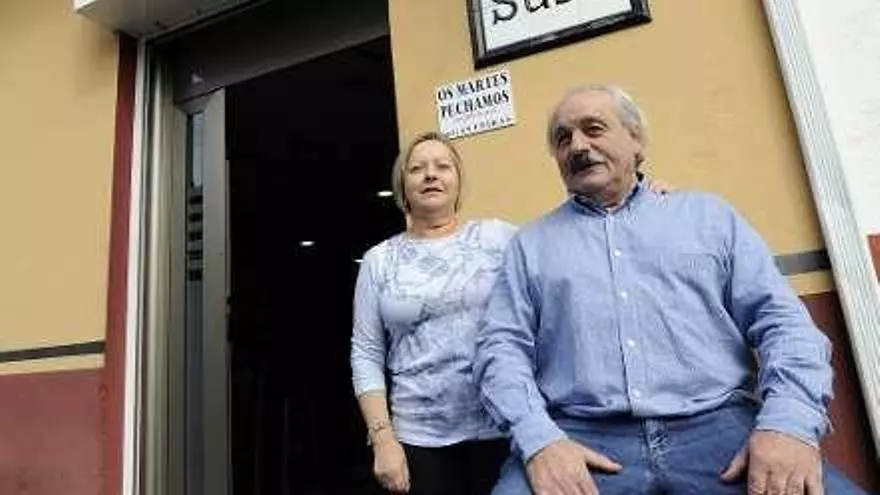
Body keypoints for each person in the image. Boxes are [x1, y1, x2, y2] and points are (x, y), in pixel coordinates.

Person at [473, 85, 872, 495]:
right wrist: (540, 440)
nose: (577, 146)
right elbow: (500, 350)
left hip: (720, 425)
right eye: (563, 138)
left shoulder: (708, 218)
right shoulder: (530, 246)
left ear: (636, 140)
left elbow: (785, 325)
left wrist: (787, 424)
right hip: (581, 436)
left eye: (593, 129)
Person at [350, 130, 678, 494]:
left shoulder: (499, 237)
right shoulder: (379, 261)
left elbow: (572, 236)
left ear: (458, 182)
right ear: (402, 185)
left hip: (509, 428)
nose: (431, 175)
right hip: (420, 439)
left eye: (443, 166)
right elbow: (366, 353)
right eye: (417, 169)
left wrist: (639, 199)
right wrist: (383, 440)